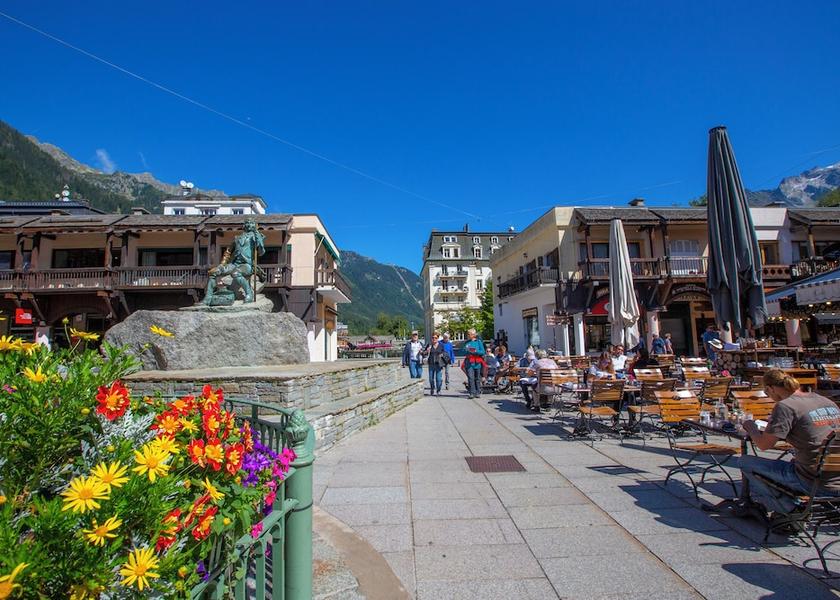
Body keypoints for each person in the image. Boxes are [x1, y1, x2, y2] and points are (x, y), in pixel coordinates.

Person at [740, 369, 840, 516]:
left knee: (745, 462)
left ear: (770, 389)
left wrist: (751, 428)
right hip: (835, 475)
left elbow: (764, 445)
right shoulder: (825, 400)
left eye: (767, 393)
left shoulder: (786, 406)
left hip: (814, 482)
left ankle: (791, 510)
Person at [423, 332, 448, 396]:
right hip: (431, 364)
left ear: (438, 338)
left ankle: (438, 390)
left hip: (439, 364)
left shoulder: (441, 345)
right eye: (433, 338)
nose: (434, 339)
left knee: (438, 379)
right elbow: (424, 353)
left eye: (436, 338)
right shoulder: (429, 345)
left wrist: (442, 354)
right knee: (431, 378)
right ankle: (432, 388)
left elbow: (445, 353)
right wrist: (427, 351)